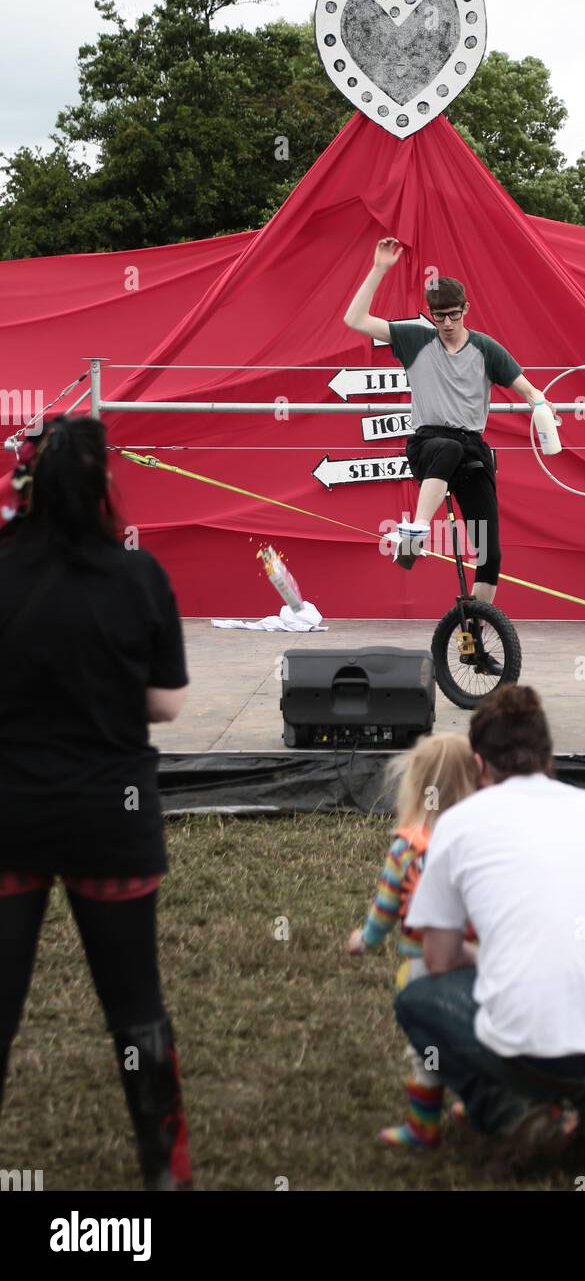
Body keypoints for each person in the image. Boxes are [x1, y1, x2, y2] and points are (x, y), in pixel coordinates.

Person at [0, 416, 192, 1191]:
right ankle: (165, 1171)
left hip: (8, 814)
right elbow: (168, 703)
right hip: (110, 821)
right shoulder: (139, 578)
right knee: (135, 1005)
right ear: (104, 487)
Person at [395, 684, 585, 1174]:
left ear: (479, 765)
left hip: (533, 1052)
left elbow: (438, 959)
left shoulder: (459, 825)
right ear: (549, 756)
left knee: (416, 996)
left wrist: (489, 956)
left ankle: (518, 1115)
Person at [343, 238, 559, 624]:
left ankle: (474, 634)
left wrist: (542, 405)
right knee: (447, 448)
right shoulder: (415, 339)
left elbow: (526, 389)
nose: (446, 323)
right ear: (430, 314)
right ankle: (417, 530)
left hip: (472, 450)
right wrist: (379, 268)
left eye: (453, 315)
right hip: (429, 444)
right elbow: (355, 320)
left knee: (491, 554)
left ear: (466, 310)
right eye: (439, 315)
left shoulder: (486, 349)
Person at [347, 733, 478, 1148]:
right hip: (474, 962)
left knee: (427, 1051)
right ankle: (478, 1105)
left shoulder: (408, 847)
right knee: (473, 1036)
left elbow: (386, 907)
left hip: (420, 966)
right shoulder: (478, 842)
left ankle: (424, 1126)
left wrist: (364, 939)